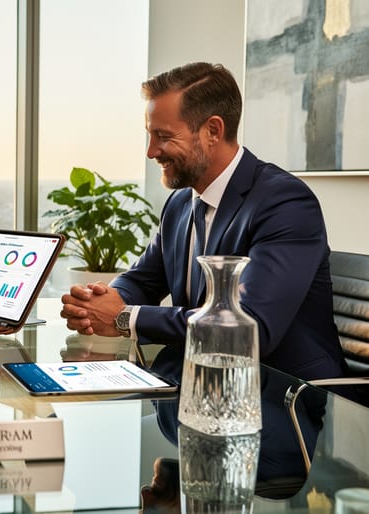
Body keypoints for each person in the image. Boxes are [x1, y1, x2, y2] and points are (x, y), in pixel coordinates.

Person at [60, 62, 345, 381]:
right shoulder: (181, 203)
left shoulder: (285, 203)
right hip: (195, 388)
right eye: (149, 136)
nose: (152, 151)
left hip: (288, 400)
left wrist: (126, 317)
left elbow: (250, 329)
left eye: (163, 136)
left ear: (213, 131)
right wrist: (97, 302)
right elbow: (144, 280)